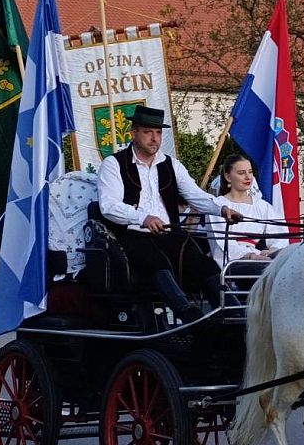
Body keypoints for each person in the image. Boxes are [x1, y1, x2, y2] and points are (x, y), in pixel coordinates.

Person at [97, 105, 243, 323]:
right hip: (131, 235)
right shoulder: (113, 164)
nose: (154, 138)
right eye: (148, 132)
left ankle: (235, 314)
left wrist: (221, 209)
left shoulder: (171, 164)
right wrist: (143, 218)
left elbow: (194, 194)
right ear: (133, 132)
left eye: (158, 132)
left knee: (204, 264)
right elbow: (108, 205)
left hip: (169, 234)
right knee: (156, 262)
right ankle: (187, 313)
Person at [206, 154, 290, 266]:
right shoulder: (218, 205)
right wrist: (251, 256)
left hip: (259, 258)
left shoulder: (262, 206)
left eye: (250, 172)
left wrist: (273, 250)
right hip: (232, 263)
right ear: (228, 177)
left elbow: (279, 232)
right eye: (241, 173)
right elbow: (221, 244)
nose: (248, 177)